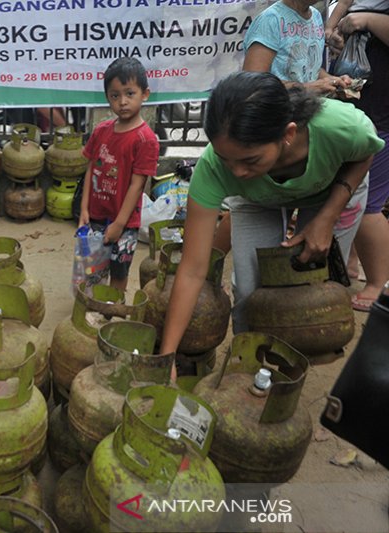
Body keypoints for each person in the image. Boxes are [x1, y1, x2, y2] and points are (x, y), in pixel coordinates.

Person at [159, 72, 384, 371]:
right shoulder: (214, 168)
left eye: (249, 160)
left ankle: (291, 373)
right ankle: (246, 372)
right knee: (249, 295)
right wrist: (167, 355)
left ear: (287, 134)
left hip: (334, 189)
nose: (236, 172)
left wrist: (327, 218)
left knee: (314, 292)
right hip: (259, 198)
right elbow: (192, 270)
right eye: (228, 160)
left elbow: (366, 152)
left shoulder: (340, 127)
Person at [78, 57, 160, 293]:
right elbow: (91, 168)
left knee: (119, 271)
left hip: (125, 223)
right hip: (94, 216)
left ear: (144, 94)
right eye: (115, 95)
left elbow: (137, 185)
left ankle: (111, 308)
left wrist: (120, 224)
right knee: (92, 268)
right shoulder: (101, 131)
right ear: (107, 98)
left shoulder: (146, 140)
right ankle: (94, 307)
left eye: (129, 93)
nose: (122, 102)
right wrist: (84, 209)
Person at [327, 4, 389, 311]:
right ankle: (350, 263)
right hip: (358, 109)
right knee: (351, 199)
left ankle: (378, 283)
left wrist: (366, 20)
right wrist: (335, 28)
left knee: (369, 205)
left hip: (380, 117)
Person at [243, 0, 352, 95]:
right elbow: (254, 83)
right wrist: (310, 87)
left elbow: (310, 68)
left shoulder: (316, 16)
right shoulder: (270, 20)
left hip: (308, 107)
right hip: (279, 110)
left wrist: (333, 82)